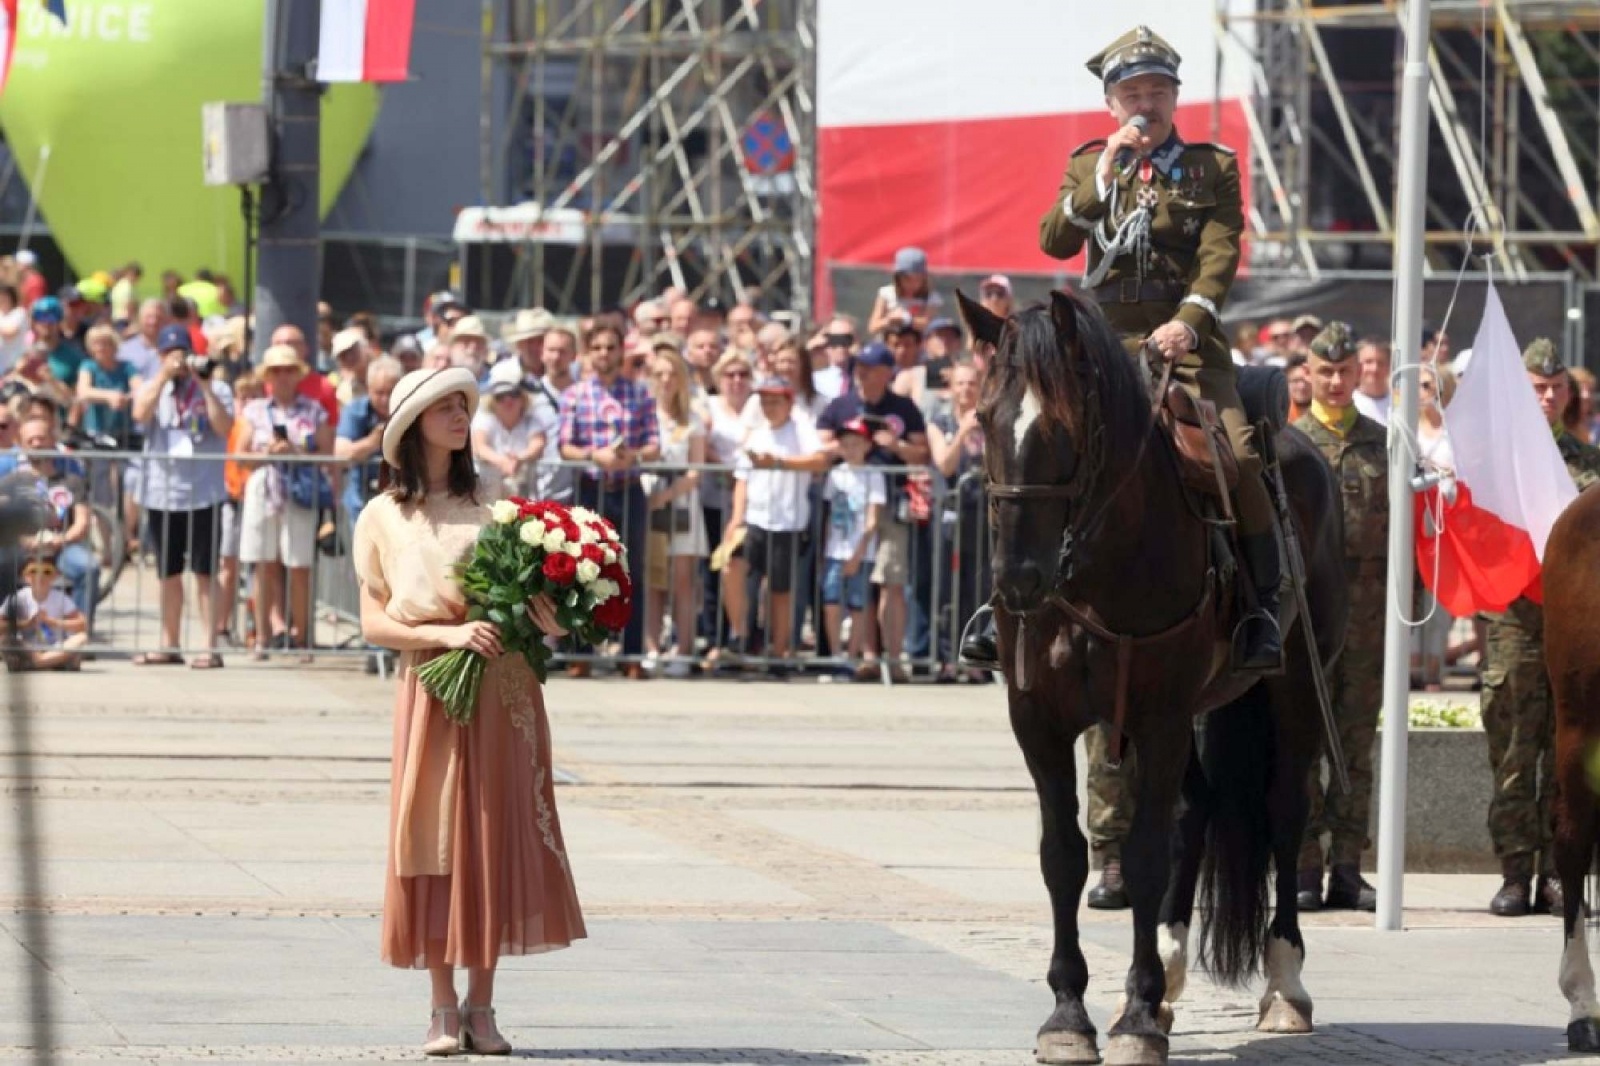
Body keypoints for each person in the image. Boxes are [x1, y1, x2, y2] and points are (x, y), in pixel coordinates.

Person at [966, 24, 1280, 675]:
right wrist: (1104, 176)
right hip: (1099, 348)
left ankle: (1260, 606)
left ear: (1175, 97)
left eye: (1159, 90)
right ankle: (1004, 607)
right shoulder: (1090, 163)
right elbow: (1054, 241)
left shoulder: (1211, 167)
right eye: (1133, 91)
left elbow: (1220, 255)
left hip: (1183, 346)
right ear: (1111, 104)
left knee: (1238, 456)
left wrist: (1191, 321)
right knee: (1030, 450)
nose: (1146, 102)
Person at [353, 366, 584, 1057]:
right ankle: (440, 1008)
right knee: (432, 837)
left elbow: (531, 602)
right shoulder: (382, 515)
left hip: (503, 689)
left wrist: (555, 613)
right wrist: (443, 635)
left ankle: (482, 1007)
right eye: (445, 406)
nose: (460, 415)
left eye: (463, 406)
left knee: (493, 837)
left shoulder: (495, 502)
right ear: (412, 423)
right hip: (431, 686)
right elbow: (372, 621)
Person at [1478, 339, 1600, 918]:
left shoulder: (1589, 462)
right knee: (1512, 750)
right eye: (1536, 387)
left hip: (1575, 627)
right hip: (1514, 621)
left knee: (1566, 753)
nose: (1548, 396)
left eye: (1556, 387)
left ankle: (1558, 872)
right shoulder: (1493, 461)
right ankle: (1513, 872)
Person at [1292, 322, 1386, 913]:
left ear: (1358, 373)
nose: (1333, 380)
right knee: (1303, 742)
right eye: (1323, 371)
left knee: (1355, 744)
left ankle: (1348, 866)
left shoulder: (1381, 442)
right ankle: (1304, 865)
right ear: (1307, 373)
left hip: (1369, 616)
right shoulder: (1290, 444)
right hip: (1309, 615)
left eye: (1343, 371)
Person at [815, 343, 929, 684]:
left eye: (868, 368)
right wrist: (855, 441)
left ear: (885, 372)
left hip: (891, 505)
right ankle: (863, 658)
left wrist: (895, 445)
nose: (860, 373)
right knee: (855, 586)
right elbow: (821, 446)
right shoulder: (841, 405)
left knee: (889, 581)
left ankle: (893, 660)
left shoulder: (903, 407)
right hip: (848, 509)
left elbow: (922, 453)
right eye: (858, 367)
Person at [558, 323, 660, 677]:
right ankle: (582, 653)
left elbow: (654, 444)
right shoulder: (574, 395)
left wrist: (634, 455)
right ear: (590, 353)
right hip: (591, 488)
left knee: (631, 574)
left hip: (629, 487)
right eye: (598, 347)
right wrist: (592, 454)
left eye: (610, 347)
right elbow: (565, 446)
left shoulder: (641, 394)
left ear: (620, 351)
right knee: (583, 570)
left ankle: (630, 654)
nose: (604, 353)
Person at [131, 324, 234, 668]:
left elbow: (224, 427)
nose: (176, 359)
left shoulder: (215, 386)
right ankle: (169, 642)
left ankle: (208, 646)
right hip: (162, 494)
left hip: (204, 494)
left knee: (205, 572)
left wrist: (203, 386)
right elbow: (138, 414)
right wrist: (162, 377)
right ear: (159, 355)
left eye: (180, 352)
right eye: (168, 353)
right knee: (167, 573)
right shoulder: (153, 386)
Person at [238, 344, 332, 662]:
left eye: (288, 370)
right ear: (267, 376)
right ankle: (262, 637)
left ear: (297, 374)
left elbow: (326, 452)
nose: (282, 376)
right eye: (276, 371)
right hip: (263, 488)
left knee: (299, 565)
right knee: (263, 565)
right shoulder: (254, 410)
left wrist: (295, 453)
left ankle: (303, 639)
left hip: (300, 489)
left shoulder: (313, 410)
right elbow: (239, 455)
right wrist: (267, 454)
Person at [728, 376, 829, 671]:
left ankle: (779, 648)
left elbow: (821, 460)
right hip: (754, 518)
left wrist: (780, 463)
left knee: (780, 589)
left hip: (787, 521)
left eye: (775, 400)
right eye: (765, 401)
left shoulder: (801, 430)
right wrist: (736, 518)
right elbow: (742, 479)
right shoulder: (757, 434)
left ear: (788, 402)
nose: (769, 406)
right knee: (732, 567)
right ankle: (741, 635)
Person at [644, 346, 709, 678]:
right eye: (660, 374)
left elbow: (696, 472)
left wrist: (668, 494)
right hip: (650, 501)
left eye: (672, 374)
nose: (666, 381)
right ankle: (651, 646)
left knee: (683, 581)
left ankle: (683, 648)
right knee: (653, 578)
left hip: (681, 504)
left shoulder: (692, 419)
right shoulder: (644, 414)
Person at [17, 417, 99, 628]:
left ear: (53, 441)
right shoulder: (11, 482)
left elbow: (82, 523)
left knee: (89, 567)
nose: (36, 444)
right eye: (31, 440)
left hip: (63, 549)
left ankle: (79, 631)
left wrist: (60, 540)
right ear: (22, 444)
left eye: (41, 438)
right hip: (21, 550)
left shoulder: (72, 481)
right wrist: (26, 540)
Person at [820, 419, 885, 681]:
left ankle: (851, 656)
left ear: (867, 445)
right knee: (831, 602)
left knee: (858, 605)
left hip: (861, 551)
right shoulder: (835, 474)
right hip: (835, 548)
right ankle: (836, 654)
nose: (851, 448)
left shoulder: (874, 475)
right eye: (846, 443)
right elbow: (828, 514)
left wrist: (858, 553)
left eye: (856, 443)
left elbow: (872, 519)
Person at [335, 355, 404, 525]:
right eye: (379, 392)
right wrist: (373, 441)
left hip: (403, 502)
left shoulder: (413, 411)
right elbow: (341, 453)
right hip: (361, 502)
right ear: (368, 388)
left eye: (391, 391)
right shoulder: (354, 410)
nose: (385, 399)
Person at [1, 554, 88, 672]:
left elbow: (82, 624)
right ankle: (53, 662)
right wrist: (26, 624)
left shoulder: (60, 598)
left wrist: (52, 622)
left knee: (82, 638)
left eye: (47, 572)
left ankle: (38, 663)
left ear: (55, 576)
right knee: (4, 639)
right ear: (25, 576)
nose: (40, 576)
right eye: (33, 571)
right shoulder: (18, 598)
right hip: (27, 647)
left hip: (55, 647)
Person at [473, 362, 544, 500]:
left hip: (524, 492)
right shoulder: (485, 418)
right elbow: (478, 446)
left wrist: (519, 458)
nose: (508, 400)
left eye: (514, 394)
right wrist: (502, 461)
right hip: (487, 492)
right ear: (492, 401)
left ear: (523, 398)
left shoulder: (531, 420)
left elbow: (538, 444)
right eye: (501, 396)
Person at [867, 246, 943, 335]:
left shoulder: (932, 298)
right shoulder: (886, 293)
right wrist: (889, 320)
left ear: (924, 278)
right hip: (889, 343)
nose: (912, 284)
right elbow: (873, 327)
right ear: (898, 278)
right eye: (907, 279)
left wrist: (906, 319)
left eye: (917, 279)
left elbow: (927, 323)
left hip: (917, 345)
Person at [1352, 339, 1392, 426]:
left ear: (1389, 366)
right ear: (1356, 365)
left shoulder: (1399, 404)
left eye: (1381, 363)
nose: (1374, 369)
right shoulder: (1349, 403)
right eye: (1368, 362)